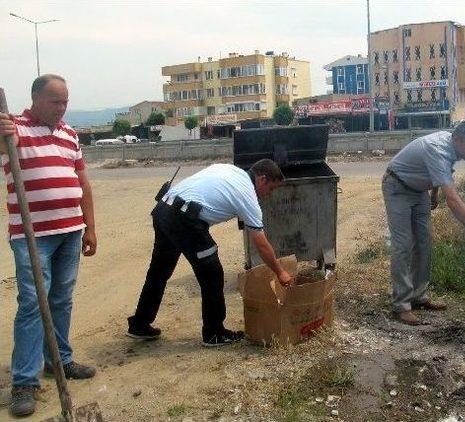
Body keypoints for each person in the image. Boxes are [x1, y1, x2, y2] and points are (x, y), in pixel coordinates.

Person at [0, 74, 97, 417]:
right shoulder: (14, 129)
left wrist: (90, 228)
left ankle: (59, 360)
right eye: (56, 102)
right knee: (32, 303)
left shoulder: (70, 134)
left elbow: (82, 182)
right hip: (32, 236)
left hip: (71, 230)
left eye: (66, 102)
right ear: (36, 99)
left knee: (60, 299)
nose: (62, 108)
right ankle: (24, 381)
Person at [127, 159, 293, 346]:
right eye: (270, 189)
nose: (268, 195)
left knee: (159, 271)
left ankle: (139, 324)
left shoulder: (229, 170)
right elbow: (261, 244)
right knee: (212, 275)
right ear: (262, 179)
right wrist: (280, 272)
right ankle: (214, 333)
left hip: (164, 209)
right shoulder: (247, 194)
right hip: (184, 221)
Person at [382, 120, 465, 325]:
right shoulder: (438, 150)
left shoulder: (451, 144)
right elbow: (454, 200)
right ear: (457, 140)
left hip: (419, 190)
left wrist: (433, 193)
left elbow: (439, 172)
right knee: (403, 244)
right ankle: (401, 305)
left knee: (424, 241)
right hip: (397, 186)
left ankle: (418, 296)